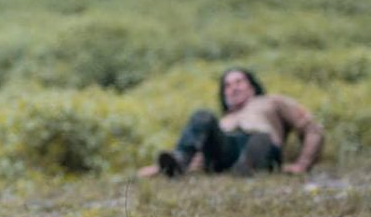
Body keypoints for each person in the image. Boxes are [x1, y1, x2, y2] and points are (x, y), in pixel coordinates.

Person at [137, 68, 324, 178]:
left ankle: (247, 165)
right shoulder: (223, 120)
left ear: (251, 85)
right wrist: (158, 169)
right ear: (224, 94)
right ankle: (180, 161)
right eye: (227, 85)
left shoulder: (270, 101)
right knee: (202, 116)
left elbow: (312, 129)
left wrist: (302, 164)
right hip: (226, 149)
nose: (233, 88)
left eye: (239, 81)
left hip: (261, 143)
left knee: (260, 138)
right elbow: (200, 154)